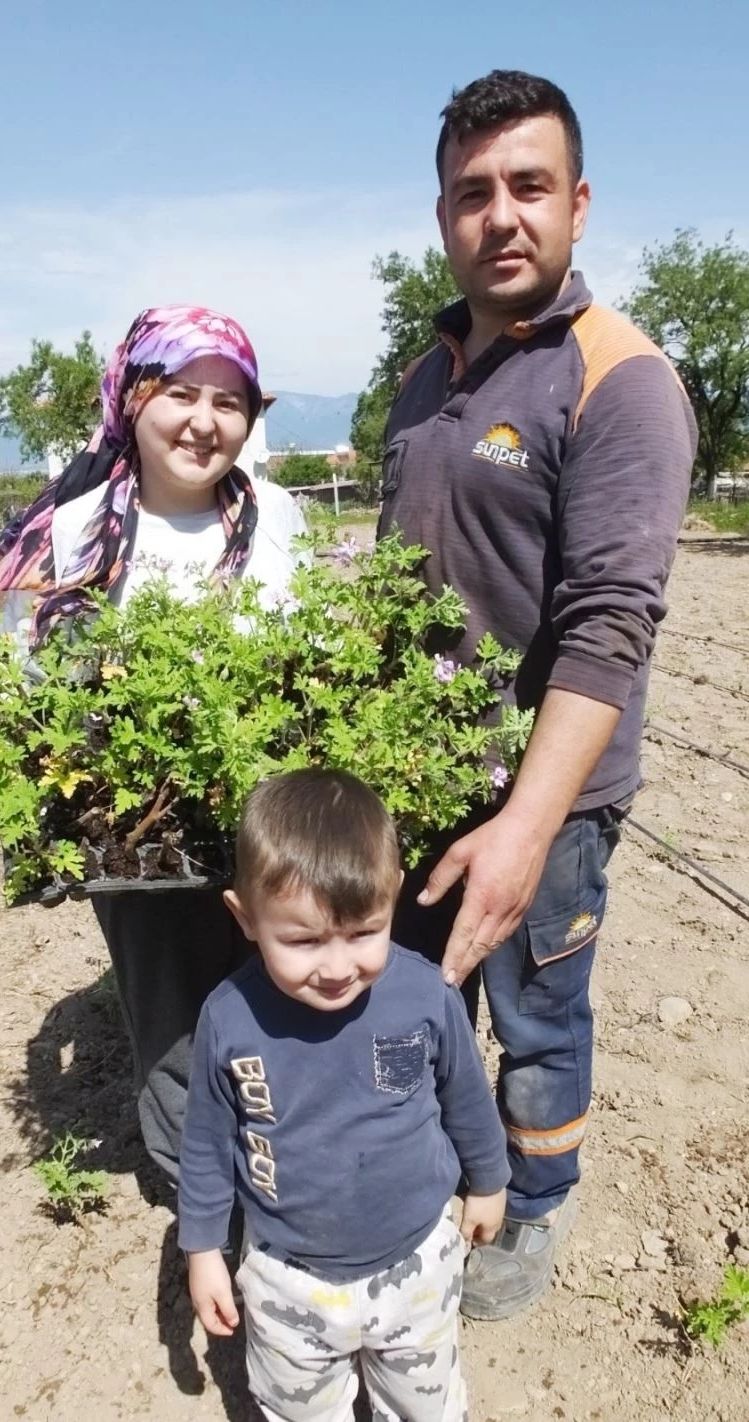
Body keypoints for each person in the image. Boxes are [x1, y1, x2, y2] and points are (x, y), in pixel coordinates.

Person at [377, 71, 698, 1321]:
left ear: (575, 203)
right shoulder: (425, 374)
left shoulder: (618, 378)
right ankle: (438, 1172)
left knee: (537, 1006)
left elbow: (607, 628)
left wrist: (522, 824)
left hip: (545, 798)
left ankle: (532, 1209)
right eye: (471, 193)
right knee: (421, 988)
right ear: (442, 215)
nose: (498, 216)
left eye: (525, 187)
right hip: (419, 769)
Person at [0, 304, 307, 1182]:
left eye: (231, 402)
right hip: (134, 834)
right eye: (183, 393)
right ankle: (192, 1178)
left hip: (264, 816)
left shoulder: (277, 518)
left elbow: (309, 659)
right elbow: (33, 696)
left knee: (281, 994)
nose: (207, 421)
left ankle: (282, 1161)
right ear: (134, 396)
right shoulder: (71, 528)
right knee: (172, 1015)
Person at [178, 768, 510, 1422]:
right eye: (301, 941)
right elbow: (207, 1148)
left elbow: (467, 1097)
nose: (335, 968)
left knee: (427, 1405)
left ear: (392, 898)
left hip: (418, 1258)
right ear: (245, 918)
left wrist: (491, 1181)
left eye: (363, 933)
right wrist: (202, 1252)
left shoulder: (425, 995)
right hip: (288, 1275)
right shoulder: (230, 1019)